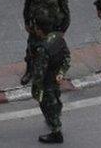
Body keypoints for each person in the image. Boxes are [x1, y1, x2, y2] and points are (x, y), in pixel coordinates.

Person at [21, 0, 70, 86]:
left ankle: (53, 72)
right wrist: (27, 23)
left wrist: (62, 31)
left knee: (52, 51)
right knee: (31, 50)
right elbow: (26, 6)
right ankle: (29, 71)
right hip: (36, 28)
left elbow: (66, 12)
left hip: (52, 29)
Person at [29, 14, 70, 144]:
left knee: (47, 105)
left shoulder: (42, 49)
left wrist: (36, 89)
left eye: (36, 27)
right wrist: (61, 73)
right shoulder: (58, 38)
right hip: (56, 77)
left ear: (39, 29)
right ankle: (55, 115)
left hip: (47, 81)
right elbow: (67, 57)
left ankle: (56, 132)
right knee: (55, 100)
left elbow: (39, 73)